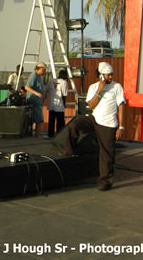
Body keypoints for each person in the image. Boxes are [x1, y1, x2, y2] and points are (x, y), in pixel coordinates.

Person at [59, 62, 125, 191]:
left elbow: (121, 106)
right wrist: (100, 89)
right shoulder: (93, 87)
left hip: (108, 123)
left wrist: (121, 126)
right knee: (74, 125)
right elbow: (92, 105)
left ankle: (105, 182)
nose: (111, 77)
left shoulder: (117, 87)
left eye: (112, 74)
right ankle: (70, 150)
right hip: (95, 118)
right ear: (101, 76)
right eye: (108, 75)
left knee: (106, 154)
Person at [24, 62, 47, 138]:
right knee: (38, 119)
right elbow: (27, 87)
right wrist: (36, 93)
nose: (44, 72)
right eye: (43, 70)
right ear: (38, 68)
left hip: (38, 102)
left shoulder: (39, 77)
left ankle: (36, 135)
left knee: (37, 119)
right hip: (34, 101)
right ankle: (36, 136)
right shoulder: (34, 75)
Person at [45, 69, 68, 138]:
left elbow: (46, 90)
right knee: (60, 122)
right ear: (63, 75)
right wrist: (64, 104)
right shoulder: (64, 82)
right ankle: (59, 136)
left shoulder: (51, 80)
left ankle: (50, 135)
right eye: (66, 76)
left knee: (51, 121)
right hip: (59, 105)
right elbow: (64, 95)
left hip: (51, 104)